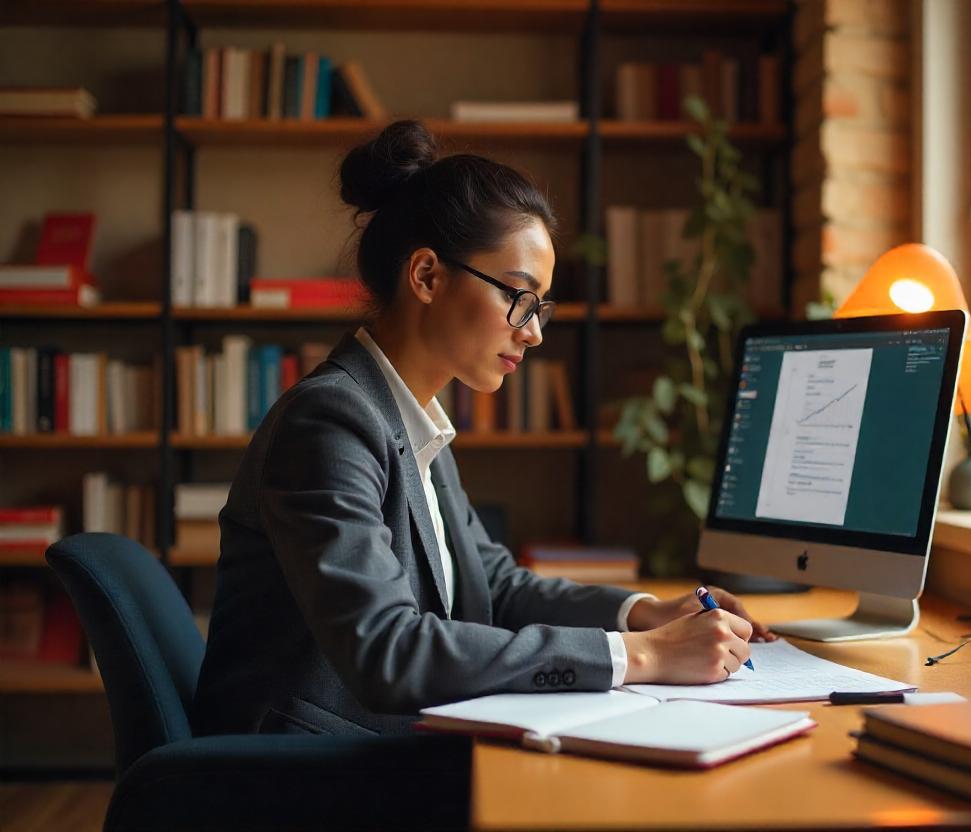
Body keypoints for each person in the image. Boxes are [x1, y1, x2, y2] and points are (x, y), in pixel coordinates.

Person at [191, 119, 774, 737]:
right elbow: (387, 651)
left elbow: (493, 585)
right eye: (518, 297)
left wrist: (642, 613)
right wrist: (643, 657)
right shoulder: (329, 423)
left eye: (541, 306)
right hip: (302, 770)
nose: (534, 331)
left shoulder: (412, 420)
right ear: (426, 276)